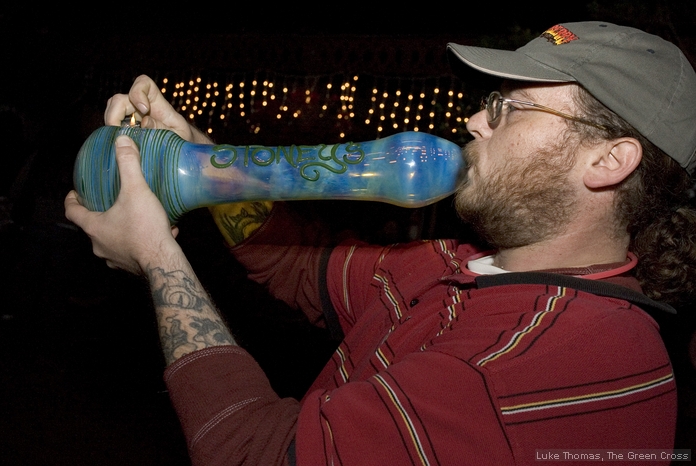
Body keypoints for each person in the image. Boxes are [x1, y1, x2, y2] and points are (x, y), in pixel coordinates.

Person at [65, 21, 696, 465]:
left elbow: (251, 453)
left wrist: (156, 256)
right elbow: (291, 265)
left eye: (510, 108)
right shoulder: (461, 268)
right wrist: (198, 163)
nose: (475, 119)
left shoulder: (564, 359)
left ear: (609, 160)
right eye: (488, 102)